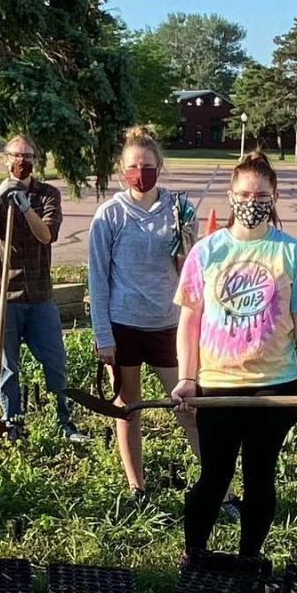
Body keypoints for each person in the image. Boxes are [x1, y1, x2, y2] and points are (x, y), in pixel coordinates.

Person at [171, 153, 297, 559]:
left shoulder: (291, 252)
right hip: (218, 387)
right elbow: (189, 321)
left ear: (274, 197)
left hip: (275, 388)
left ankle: (250, 556)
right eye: (245, 194)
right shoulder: (207, 251)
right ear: (231, 196)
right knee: (214, 476)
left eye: (261, 194)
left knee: (260, 477)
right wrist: (187, 377)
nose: (253, 201)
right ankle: (194, 553)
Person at [88, 126, 206, 499]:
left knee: (188, 406)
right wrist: (103, 336)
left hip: (168, 325)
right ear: (122, 170)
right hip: (124, 327)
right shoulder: (109, 215)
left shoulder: (180, 210)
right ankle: (136, 485)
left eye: (148, 165)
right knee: (128, 407)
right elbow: (98, 279)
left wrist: (186, 245)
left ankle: (215, 485)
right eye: (133, 167)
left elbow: (190, 271)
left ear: (160, 166)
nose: (141, 173)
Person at [0, 135, 89, 443]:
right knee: (8, 364)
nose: (21, 161)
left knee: (55, 361)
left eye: (27, 155)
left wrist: (25, 207)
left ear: (36, 160)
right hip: (3, 292)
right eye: (15, 155)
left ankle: (63, 421)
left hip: (39, 294)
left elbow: (46, 235)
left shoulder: (47, 194)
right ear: (5, 159)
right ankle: (11, 422)